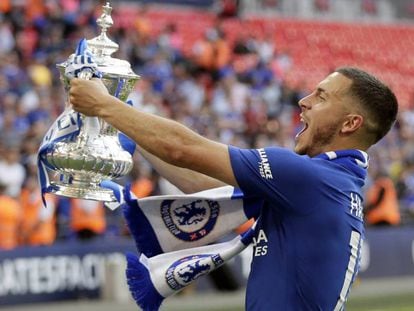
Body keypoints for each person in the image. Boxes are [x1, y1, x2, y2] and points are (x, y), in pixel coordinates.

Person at [69, 67, 398, 310]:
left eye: (321, 96)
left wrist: (105, 105)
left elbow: (183, 149)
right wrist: (124, 124)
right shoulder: (332, 182)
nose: (304, 100)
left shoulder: (310, 179)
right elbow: (196, 180)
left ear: (350, 123)